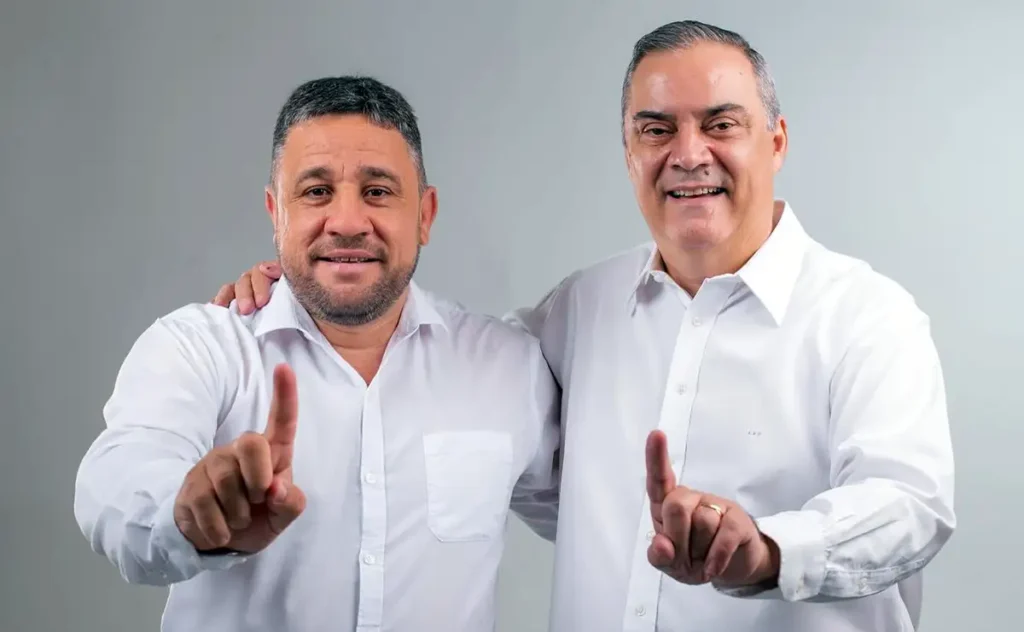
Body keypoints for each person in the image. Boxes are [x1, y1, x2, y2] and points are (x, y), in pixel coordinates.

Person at [217, 20, 955, 632]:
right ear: (629, 153)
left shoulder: (865, 315)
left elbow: (911, 505)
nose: (687, 153)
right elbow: (434, 366)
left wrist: (767, 550)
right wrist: (304, 290)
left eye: (721, 124)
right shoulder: (581, 309)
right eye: (656, 129)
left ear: (777, 140)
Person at [73, 75, 560, 632]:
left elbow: (600, 518)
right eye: (316, 192)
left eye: (378, 191)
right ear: (276, 212)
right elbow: (115, 480)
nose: (347, 223)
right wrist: (187, 514)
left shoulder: (508, 367)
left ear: (424, 215)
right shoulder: (201, 347)